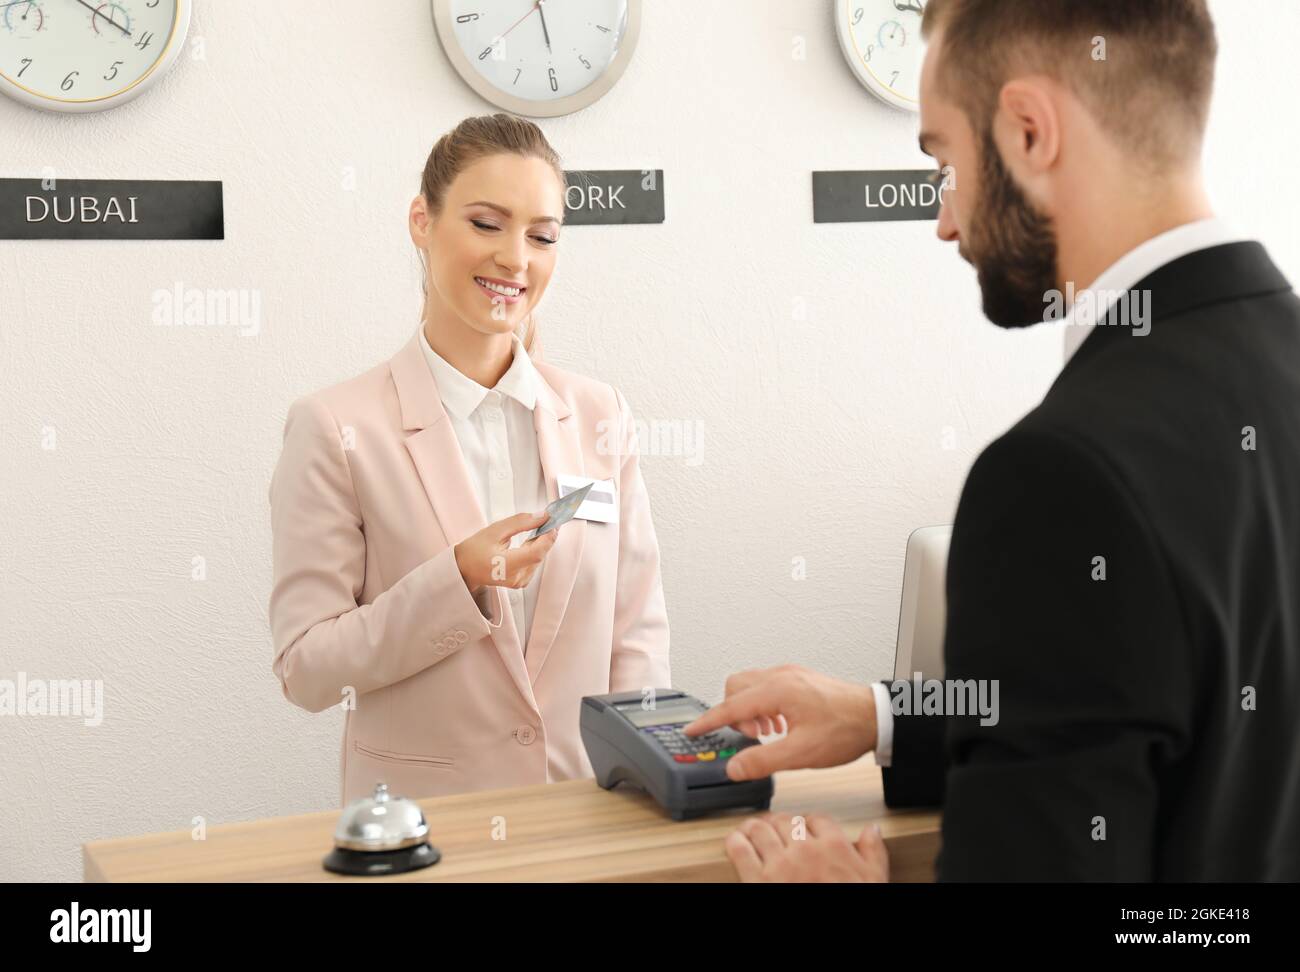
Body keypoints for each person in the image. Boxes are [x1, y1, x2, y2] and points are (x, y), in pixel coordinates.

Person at [686, 0, 1300, 881]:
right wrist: (883, 716)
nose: (946, 219)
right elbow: (1190, 716)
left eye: (945, 159)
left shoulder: (1058, 476)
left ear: (1027, 130)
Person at [268, 114, 670, 805]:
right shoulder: (336, 427)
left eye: (542, 236)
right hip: (425, 836)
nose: (517, 258)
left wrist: (639, 789)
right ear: (422, 221)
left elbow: (636, 635)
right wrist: (456, 579)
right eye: (487, 224)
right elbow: (307, 671)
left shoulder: (602, 416)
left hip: (590, 822)